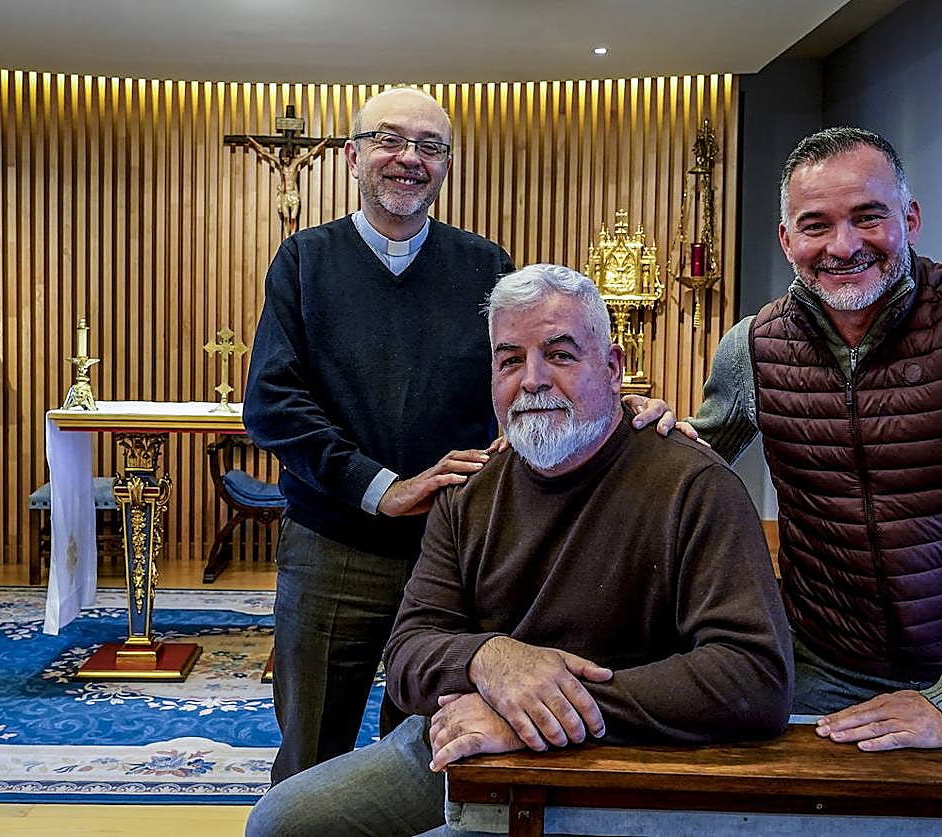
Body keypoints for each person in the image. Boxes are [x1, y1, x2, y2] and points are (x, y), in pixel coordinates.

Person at [245, 264, 793, 837]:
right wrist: (490, 659)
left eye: (559, 355)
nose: (531, 380)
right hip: (469, 740)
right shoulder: (470, 492)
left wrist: (542, 710)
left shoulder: (694, 486)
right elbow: (408, 653)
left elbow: (753, 676)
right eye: (510, 360)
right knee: (282, 822)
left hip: (623, 749)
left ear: (612, 368)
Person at [631, 126, 942, 752]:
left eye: (869, 217)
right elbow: (689, 464)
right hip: (820, 663)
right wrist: (609, 431)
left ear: (910, 219)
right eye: (815, 226)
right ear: (787, 240)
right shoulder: (754, 345)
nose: (844, 245)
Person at [243, 86, 514, 784]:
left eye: (429, 146)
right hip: (335, 543)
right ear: (351, 155)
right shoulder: (304, 260)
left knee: (433, 755)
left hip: (454, 547)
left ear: (447, 165)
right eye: (389, 141)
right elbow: (271, 403)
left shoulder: (487, 268)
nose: (408, 159)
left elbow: (524, 386)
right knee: (312, 750)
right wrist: (383, 488)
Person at [244, 134, 338, 235]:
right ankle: (286, 237)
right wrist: (252, 141)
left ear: (290, 156)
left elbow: (311, 153)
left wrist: (324, 142)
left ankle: (292, 236)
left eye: (287, 158)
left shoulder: (296, 162)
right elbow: (264, 152)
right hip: (284, 194)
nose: (285, 160)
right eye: (283, 158)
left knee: (293, 218)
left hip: (293, 193)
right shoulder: (279, 163)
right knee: (286, 217)